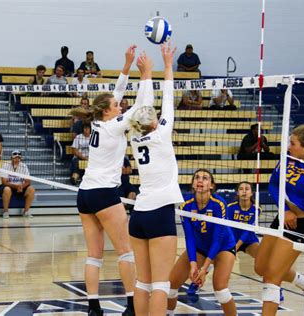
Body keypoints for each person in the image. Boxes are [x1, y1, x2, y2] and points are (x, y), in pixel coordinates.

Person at [73, 45, 139, 316]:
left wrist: (126, 64)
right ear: (107, 112)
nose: (119, 103)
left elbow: (118, 92)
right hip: (103, 194)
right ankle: (133, 305)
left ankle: (93, 307)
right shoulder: (114, 124)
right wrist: (145, 76)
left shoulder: (101, 122)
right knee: (125, 251)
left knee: (94, 254)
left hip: (85, 194)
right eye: (116, 105)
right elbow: (139, 108)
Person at [128, 43, 183, 316]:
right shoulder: (161, 133)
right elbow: (168, 100)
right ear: (154, 122)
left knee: (143, 281)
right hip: (160, 213)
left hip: (138, 215)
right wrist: (167, 64)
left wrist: (146, 74)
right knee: (161, 284)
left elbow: (142, 106)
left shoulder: (134, 137)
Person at [255, 124, 304, 315]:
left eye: (293, 143)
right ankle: (301, 281)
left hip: (301, 224)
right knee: (261, 267)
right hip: (283, 217)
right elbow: (273, 185)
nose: (289, 146)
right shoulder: (287, 159)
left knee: (271, 277)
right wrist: (286, 209)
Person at [187, 181, 304, 297]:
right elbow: (225, 227)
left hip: (248, 241)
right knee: (212, 259)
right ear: (237, 193)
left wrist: (237, 245)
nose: (244, 192)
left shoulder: (256, 208)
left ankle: (293, 283)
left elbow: (247, 231)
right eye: (241, 189)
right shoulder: (229, 207)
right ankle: (196, 283)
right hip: (230, 241)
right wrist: (232, 245)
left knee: (267, 263)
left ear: (251, 193)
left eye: (247, 189)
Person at [168, 169, 237, 316]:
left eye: (205, 178)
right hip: (199, 247)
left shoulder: (219, 204)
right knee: (171, 287)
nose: (200, 180)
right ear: (193, 184)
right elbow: (189, 237)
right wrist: (193, 264)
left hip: (223, 247)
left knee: (221, 291)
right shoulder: (185, 205)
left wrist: (204, 269)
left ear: (211, 185)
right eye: (197, 177)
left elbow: (218, 239)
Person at [0, 150, 36, 218]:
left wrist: (21, 186)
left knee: (31, 189)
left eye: (18, 158)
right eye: (15, 158)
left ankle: (26, 212)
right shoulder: (5, 165)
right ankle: (5, 212)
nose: (17, 159)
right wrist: (16, 187)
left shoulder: (24, 166)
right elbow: (4, 182)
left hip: (19, 187)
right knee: (7, 189)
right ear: (11, 158)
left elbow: (28, 181)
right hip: (7, 186)